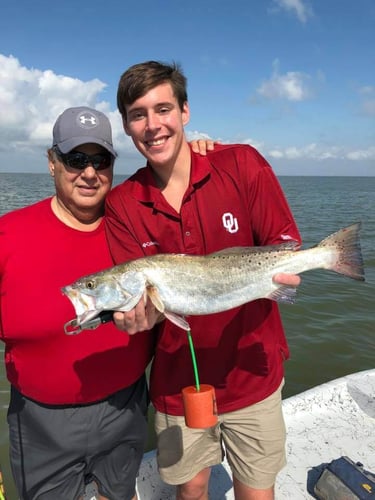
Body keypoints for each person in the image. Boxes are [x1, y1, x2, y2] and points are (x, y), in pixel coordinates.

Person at [105, 61, 302, 500]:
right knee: (190, 488)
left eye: (163, 109)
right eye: (138, 115)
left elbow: (284, 241)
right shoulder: (122, 204)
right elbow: (142, 301)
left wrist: (285, 274)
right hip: (179, 384)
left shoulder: (242, 162)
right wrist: (138, 318)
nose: (153, 125)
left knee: (257, 489)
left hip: (254, 371)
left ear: (185, 112)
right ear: (126, 125)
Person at [0, 105, 214, 500]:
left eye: (100, 160)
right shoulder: (7, 235)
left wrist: (200, 154)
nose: (88, 172)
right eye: (75, 159)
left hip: (127, 407)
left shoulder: (134, 220)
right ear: (51, 162)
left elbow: (186, 198)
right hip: (40, 421)